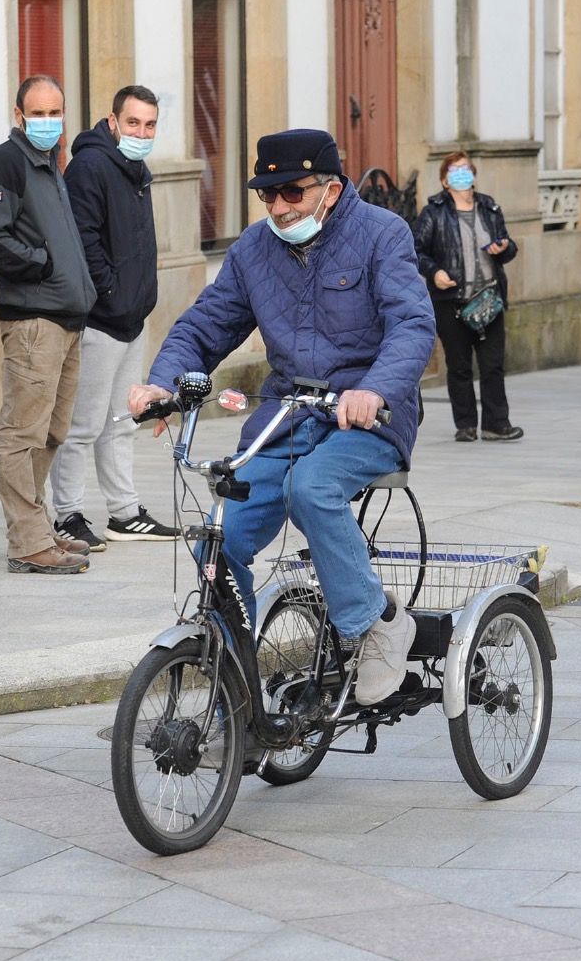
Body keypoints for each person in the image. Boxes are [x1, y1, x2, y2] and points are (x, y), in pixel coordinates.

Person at [127, 129, 435, 707]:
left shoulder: (381, 235)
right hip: (286, 418)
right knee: (218, 540)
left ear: (332, 189)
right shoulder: (253, 249)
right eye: (267, 195)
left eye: (292, 192)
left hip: (366, 419)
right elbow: (205, 325)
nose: (279, 207)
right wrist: (163, 383)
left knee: (310, 488)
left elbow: (412, 324)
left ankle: (377, 624)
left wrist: (373, 389)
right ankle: (235, 687)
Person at [0, 75, 97, 575]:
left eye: (57, 112)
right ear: (19, 114)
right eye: (39, 113)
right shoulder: (6, 161)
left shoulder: (49, 165)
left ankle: (38, 531)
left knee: (51, 432)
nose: (50, 122)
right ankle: (26, 542)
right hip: (34, 320)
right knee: (21, 434)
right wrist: (41, 265)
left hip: (65, 321)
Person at [48, 85, 180, 551]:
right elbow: (84, 241)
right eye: (133, 123)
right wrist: (110, 291)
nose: (141, 132)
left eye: (149, 125)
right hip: (101, 319)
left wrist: (136, 297)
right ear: (112, 121)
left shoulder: (134, 167)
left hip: (131, 316)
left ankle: (124, 513)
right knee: (82, 425)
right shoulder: (91, 166)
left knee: (122, 420)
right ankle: (66, 515)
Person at [410, 151, 522, 442]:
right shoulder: (433, 211)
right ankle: (466, 424)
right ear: (445, 180)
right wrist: (434, 273)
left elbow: (509, 248)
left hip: (488, 299)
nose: (462, 175)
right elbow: (416, 251)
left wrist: (504, 247)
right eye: (455, 171)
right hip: (451, 302)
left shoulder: (489, 207)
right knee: (459, 365)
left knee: (493, 365)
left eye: (466, 169)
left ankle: (496, 424)